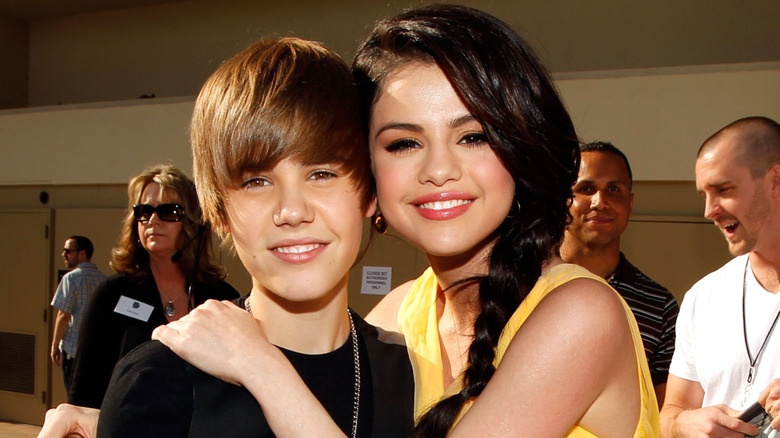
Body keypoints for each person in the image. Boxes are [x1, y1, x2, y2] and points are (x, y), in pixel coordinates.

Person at [139, 5, 658, 437]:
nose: (438, 171)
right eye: (404, 143)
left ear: (521, 145)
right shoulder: (397, 319)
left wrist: (259, 365)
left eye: (472, 136)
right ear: (366, 176)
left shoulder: (578, 315)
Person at [38, 36, 414, 438]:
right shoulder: (161, 380)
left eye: (321, 173)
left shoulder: (408, 373)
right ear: (219, 213)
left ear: (369, 193)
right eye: (256, 181)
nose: (292, 211)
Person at [66, 164, 239, 409]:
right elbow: (84, 390)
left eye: (168, 211)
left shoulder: (222, 299)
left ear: (191, 222)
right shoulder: (112, 294)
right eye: (144, 212)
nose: (153, 220)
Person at [660, 116, 780, 438]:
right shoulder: (703, 296)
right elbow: (668, 415)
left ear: (775, 181)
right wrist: (686, 423)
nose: (709, 211)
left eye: (723, 190)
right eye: (704, 195)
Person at [560, 141, 679, 405]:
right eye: (585, 189)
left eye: (614, 189)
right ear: (562, 199)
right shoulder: (520, 283)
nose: (600, 202)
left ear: (630, 203)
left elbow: (665, 416)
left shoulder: (659, 305)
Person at [50, 235, 107, 394]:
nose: (64, 255)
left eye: (68, 251)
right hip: (96, 352)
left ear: (82, 253)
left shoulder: (71, 278)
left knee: (74, 397)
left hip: (73, 351)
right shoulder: (104, 279)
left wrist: (55, 346)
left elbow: (64, 315)